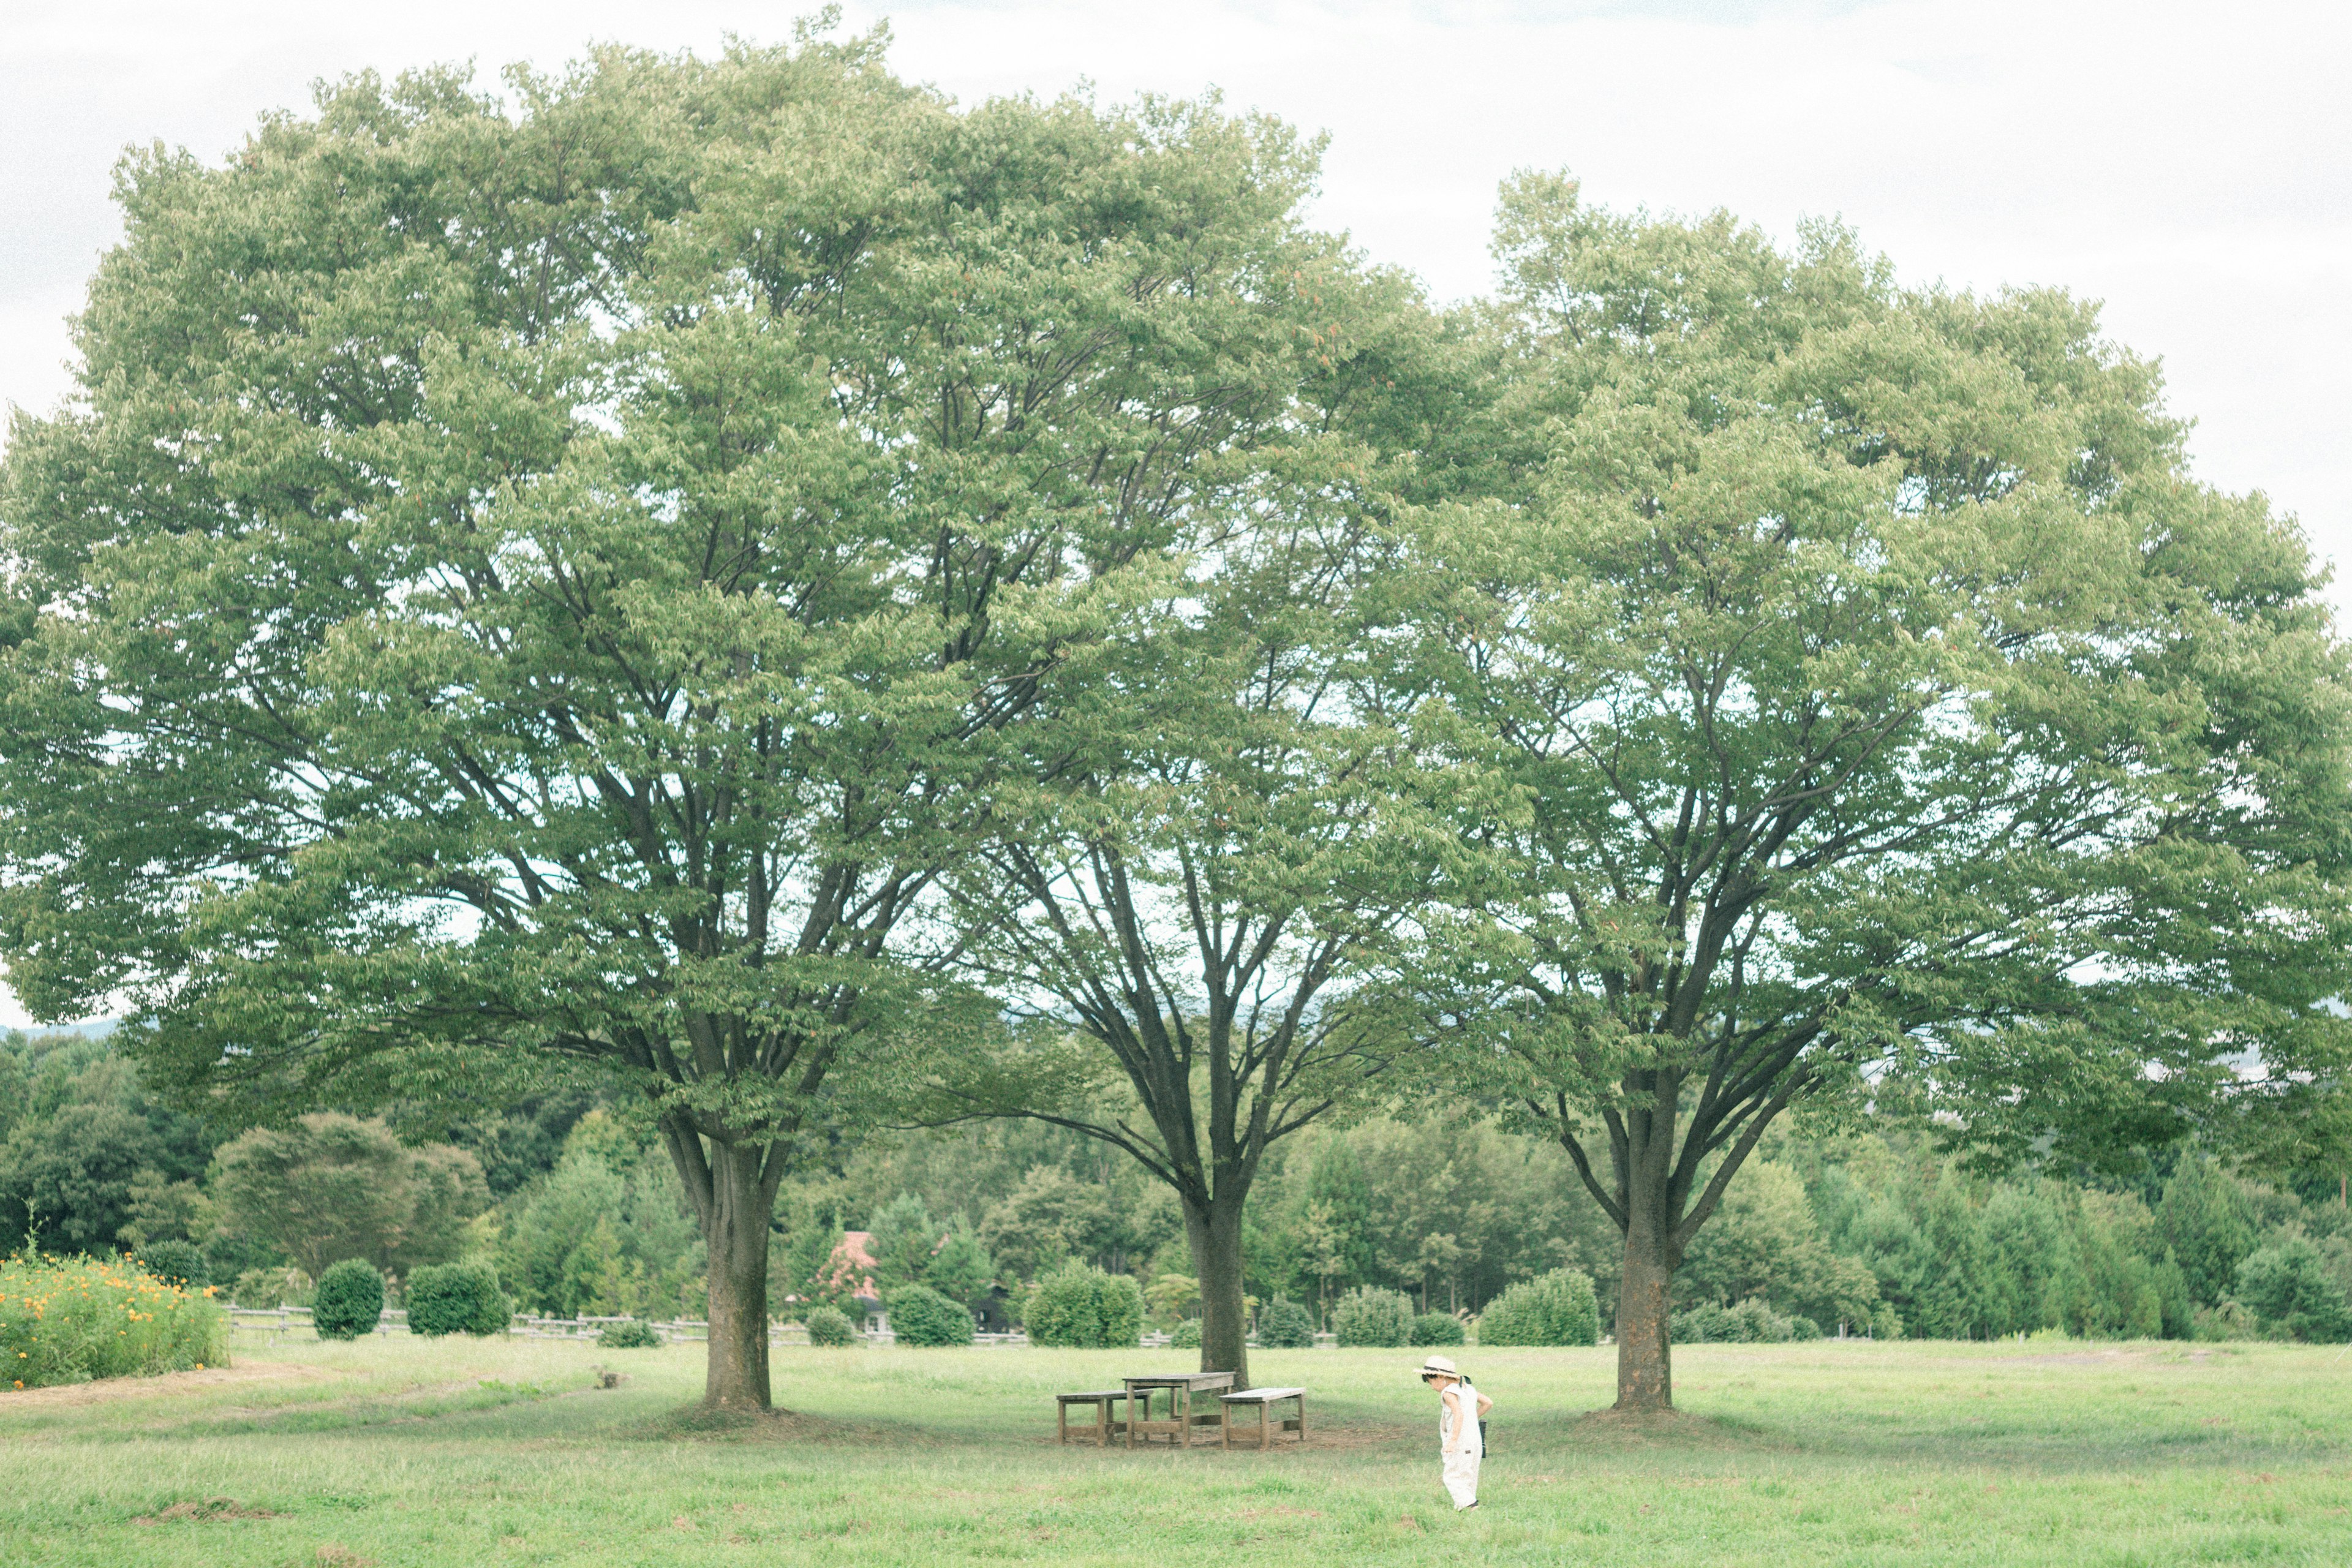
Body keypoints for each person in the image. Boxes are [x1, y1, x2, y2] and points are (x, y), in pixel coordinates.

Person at [1419, 1354, 1491, 1511]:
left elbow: (1458, 1414)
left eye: (1431, 1382)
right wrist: (1472, 1418)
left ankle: (1471, 1505)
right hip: (1475, 1439)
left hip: (1460, 1440)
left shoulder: (1448, 1393)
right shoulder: (1469, 1389)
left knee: (1451, 1476)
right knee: (1468, 1474)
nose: (1432, 1387)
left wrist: (1453, 1440)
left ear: (1440, 1377)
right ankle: (1464, 1507)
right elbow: (1488, 1403)